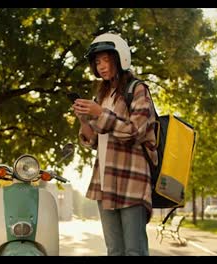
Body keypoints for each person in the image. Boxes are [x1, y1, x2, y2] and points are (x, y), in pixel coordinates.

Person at [72, 32, 158, 256]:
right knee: (114, 251)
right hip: (105, 181)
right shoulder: (102, 95)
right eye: (97, 61)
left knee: (133, 251)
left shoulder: (137, 89)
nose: (101, 66)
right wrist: (84, 118)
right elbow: (93, 141)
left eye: (106, 59)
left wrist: (100, 113)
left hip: (132, 180)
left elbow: (135, 131)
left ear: (121, 57)